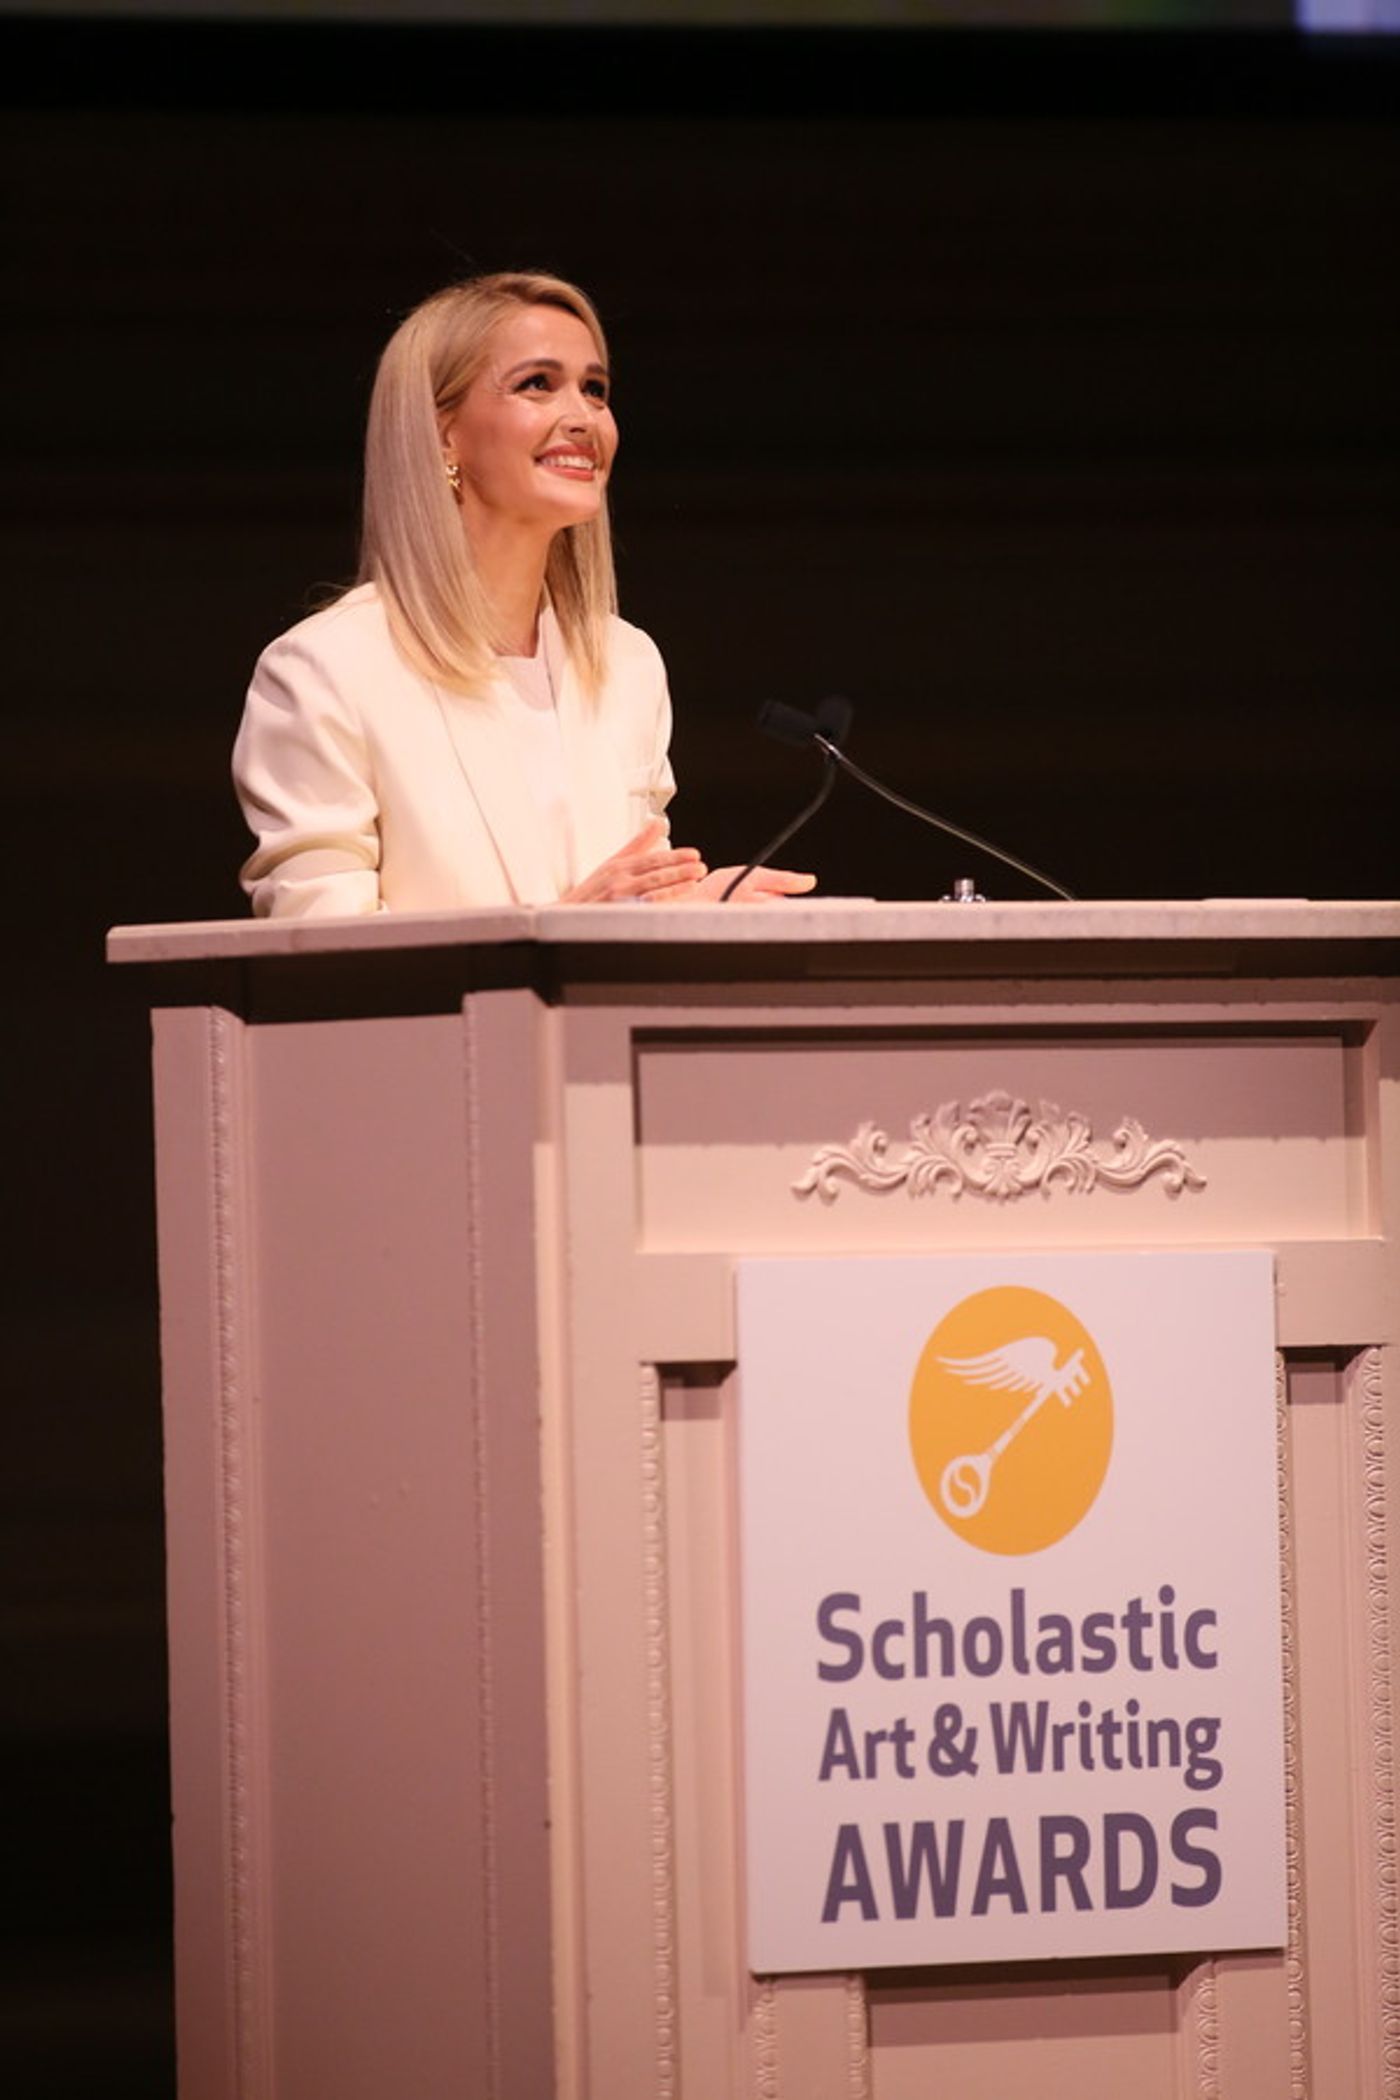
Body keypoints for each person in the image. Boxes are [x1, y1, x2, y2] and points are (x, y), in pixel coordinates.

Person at [233, 271, 816, 917]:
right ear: (441, 433)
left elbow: (621, 907)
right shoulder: (326, 670)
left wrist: (684, 913)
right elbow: (319, 966)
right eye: (538, 384)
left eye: (595, 390)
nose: (583, 418)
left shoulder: (628, 665)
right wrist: (561, 932)